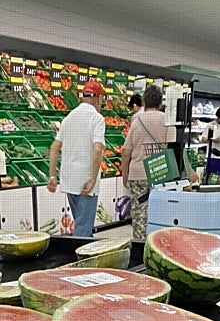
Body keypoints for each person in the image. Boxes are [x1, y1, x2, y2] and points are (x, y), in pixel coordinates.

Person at [48, 80, 106, 238]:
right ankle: (78, 253)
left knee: (81, 223)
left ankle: (85, 245)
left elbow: (54, 147)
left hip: (69, 180)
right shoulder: (97, 119)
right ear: (98, 98)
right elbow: (98, 149)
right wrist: (92, 179)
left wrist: (52, 176)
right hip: (86, 182)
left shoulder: (69, 118)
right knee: (83, 229)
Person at [119, 85, 174, 241]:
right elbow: (172, 149)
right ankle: (158, 243)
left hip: (138, 173)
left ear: (144, 101)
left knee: (139, 213)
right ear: (160, 102)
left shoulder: (137, 121)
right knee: (160, 212)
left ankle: (139, 244)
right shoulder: (167, 120)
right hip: (160, 172)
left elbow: (126, 152)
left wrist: (125, 174)